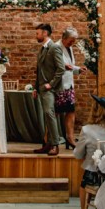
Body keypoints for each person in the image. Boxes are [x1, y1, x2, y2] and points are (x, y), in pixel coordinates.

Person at [33, 22, 65, 157]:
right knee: (47, 116)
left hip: (50, 89)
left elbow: (61, 69)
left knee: (50, 114)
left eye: (38, 33)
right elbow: (39, 71)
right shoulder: (42, 49)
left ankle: (55, 145)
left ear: (45, 33)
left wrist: (51, 85)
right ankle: (48, 144)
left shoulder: (54, 48)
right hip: (41, 88)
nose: (36, 35)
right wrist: (36, 88)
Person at [56, 27, 80, 149]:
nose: (72, 43)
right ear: (64, 38)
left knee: (71, 111)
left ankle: (70, 138)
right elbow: (56, 65)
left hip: (69, 85)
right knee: (55, 113)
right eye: (71, 40)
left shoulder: (69, 48)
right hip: (59, 85)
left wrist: (78, 69)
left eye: (74, 41)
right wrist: (68, 67)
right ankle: (49, 140)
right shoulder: (56, 47)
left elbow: (71, 66)